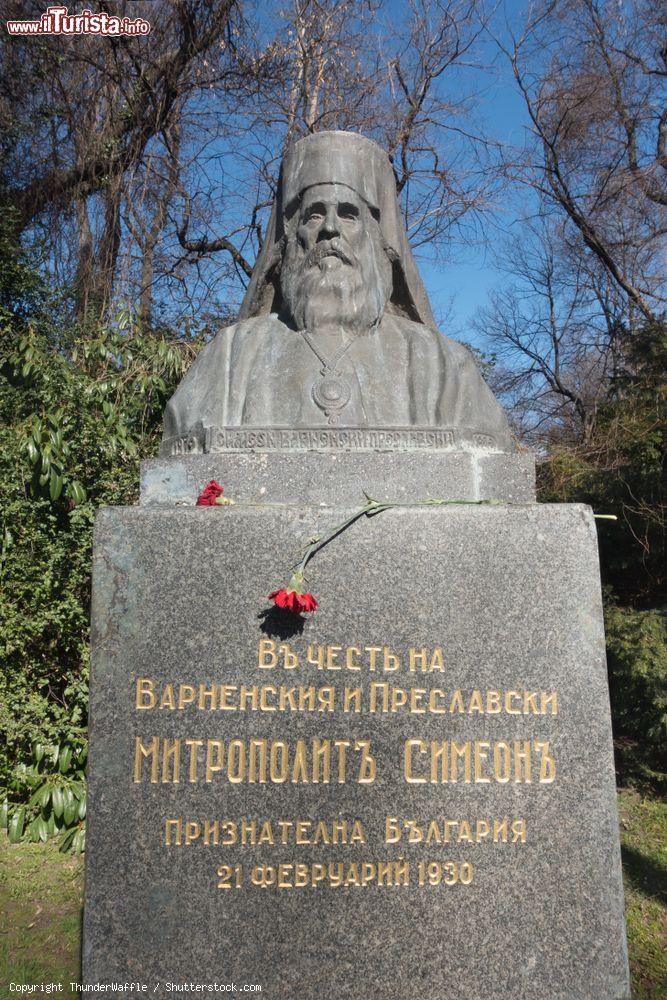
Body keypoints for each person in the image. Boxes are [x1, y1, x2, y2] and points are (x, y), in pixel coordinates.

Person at [161, 131, 513, 454]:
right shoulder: (228, 358)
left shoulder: (444, 366)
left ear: (378, 238)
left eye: (348, 214)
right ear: (291, 238)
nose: (330, 229)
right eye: (314, 215)